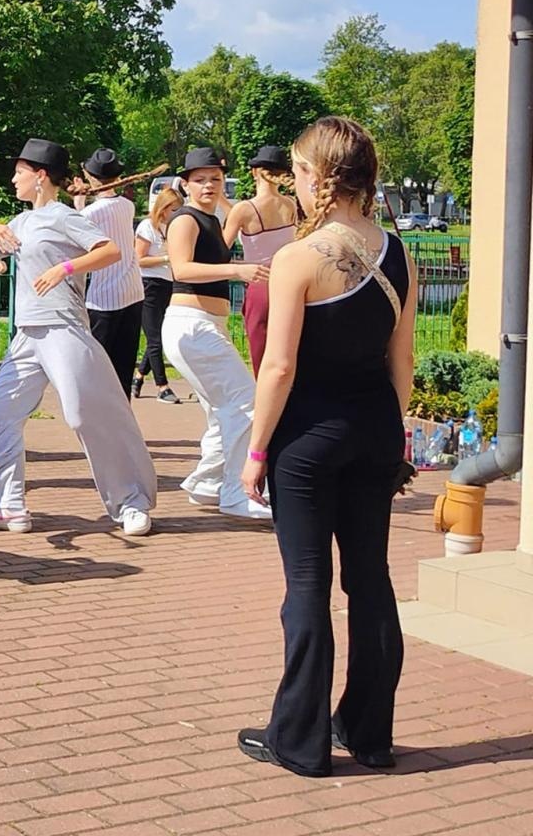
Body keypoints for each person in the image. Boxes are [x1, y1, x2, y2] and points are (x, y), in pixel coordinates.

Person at [237, 117, 415, 777]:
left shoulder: (296, 259)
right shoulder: (397, 251)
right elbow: (404, 357)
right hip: (374, 430)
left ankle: (300, 740)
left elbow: (278, 368)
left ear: (317, 178)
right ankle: (370, 733)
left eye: (299, 171)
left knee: (307, 585)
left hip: (307, 439)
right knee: (370, 579)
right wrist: (392, 436)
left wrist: (255, 452)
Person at [0, 138, 158, 537]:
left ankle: (131, 501)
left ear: (39, 176)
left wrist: (64, 268)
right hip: (26, 334)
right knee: (2, 410)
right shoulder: (20, 222)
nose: (12, 178)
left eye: (19, 171)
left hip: (63, 328)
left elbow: (110, 252)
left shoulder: (63, 216)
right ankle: (9, 506)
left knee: (83, 412)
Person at [163, 147, 273, 521]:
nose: (209, 185)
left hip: (208, 325)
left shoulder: (211, 218)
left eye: (216, 178)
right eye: (200, 179)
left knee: (220, 408)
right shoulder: (185, 220)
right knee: (246, 403)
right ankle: (236, 494)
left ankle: (207, 484)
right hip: (190, 324)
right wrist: (237, 271)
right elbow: (181, 269)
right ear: (185, 184)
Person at [74, 149, 146, 396]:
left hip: (103, 298)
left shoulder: (89, 213)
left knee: (96, 368)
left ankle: (100, 425)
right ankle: (123, 425)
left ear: (90, 177)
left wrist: (79, 205)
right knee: (123, 365)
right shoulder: (128, 205)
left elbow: (80, 234)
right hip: (133, 291)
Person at [225, 146, 301, 374]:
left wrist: (237, 267)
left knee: (261, 352)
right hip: (290, 282)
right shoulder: (290, 204)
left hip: (260, 284)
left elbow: (221, 248)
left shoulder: (244, 209)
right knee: (290, 348)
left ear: (254, 172)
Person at [131, 186, 182, 404]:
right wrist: (166, 258)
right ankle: (163, 386)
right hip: (149, 284)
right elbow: (138, 259)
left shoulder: (174, 227)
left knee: (160, 335)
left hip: (169, 283)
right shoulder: (147, 227)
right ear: (163, 207)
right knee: (155, 338)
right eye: (174, 209)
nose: (176, 214)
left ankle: (139, 377)